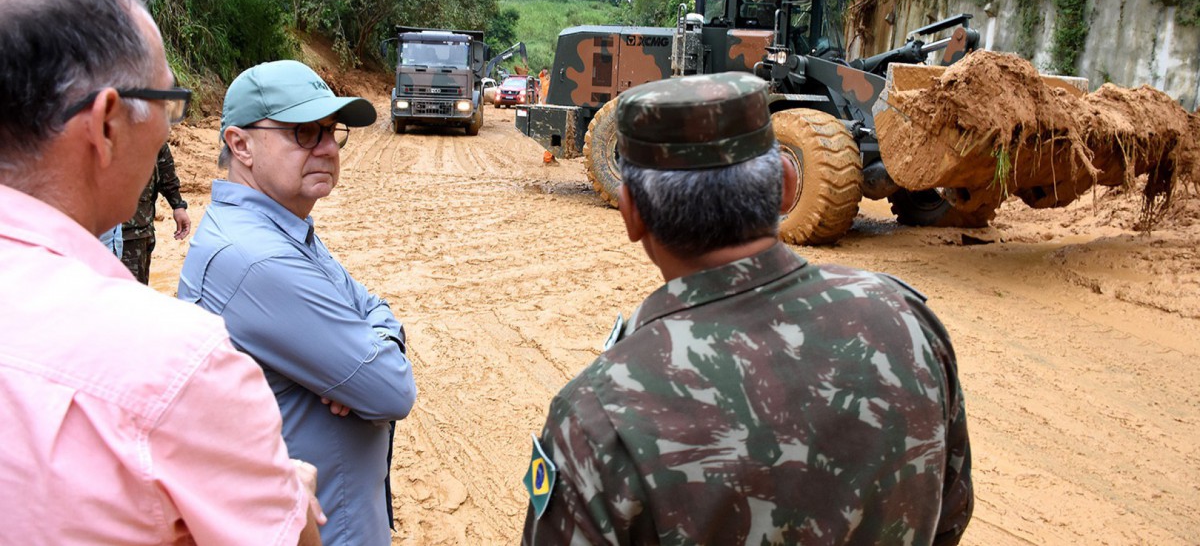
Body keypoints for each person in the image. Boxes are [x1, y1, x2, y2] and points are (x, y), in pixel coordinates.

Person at [522, 73, 973, 545]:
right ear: (787, 182)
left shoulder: (600, 418)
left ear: (631, 212)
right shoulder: (906, 321)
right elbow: (950, 514)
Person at [0, 0, 324, 544]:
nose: (170, 128)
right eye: (168, 103)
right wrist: (296, 506)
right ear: (105, 124)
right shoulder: (177, 364)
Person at [178, 59, 417, 546]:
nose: (328, 148)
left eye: (332, 131)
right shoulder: (257, 260)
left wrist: (378, 335)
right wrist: (372, 352)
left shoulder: (279, 227)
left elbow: (373, 305)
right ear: (240, 144)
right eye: (305, 132)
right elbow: (392, 389)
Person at [121, 142, 191, 284]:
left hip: (137, 233)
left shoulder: (149, 128)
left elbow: (164, 167)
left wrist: (178, 205)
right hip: (99, 233)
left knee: (133, 296)